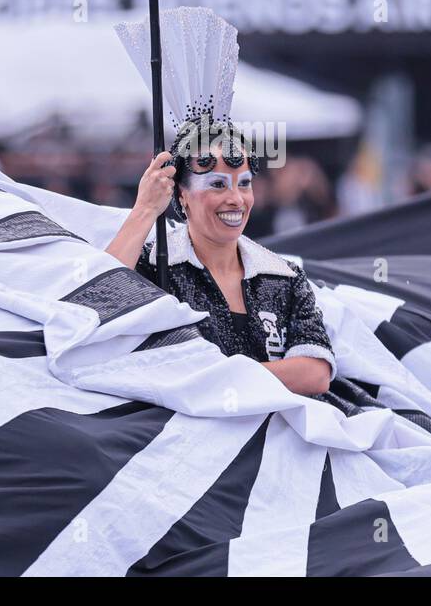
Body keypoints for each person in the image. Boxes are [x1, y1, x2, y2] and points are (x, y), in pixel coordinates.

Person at [105, 116, 334, 398]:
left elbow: (316, 374)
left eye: (245, 184)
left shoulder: (284, 275)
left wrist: (210, 378)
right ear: (182, 194)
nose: (236, 199)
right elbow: (98, 305)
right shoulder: (154, 266)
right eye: (217, 185)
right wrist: (144, 210)